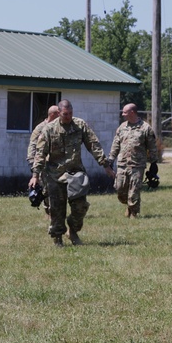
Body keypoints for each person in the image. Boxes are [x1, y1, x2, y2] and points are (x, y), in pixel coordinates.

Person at [29, 99, 114, 246]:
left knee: (80, 206)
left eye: (70, 113)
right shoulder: (49, 129)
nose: (68, 116)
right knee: (56, 209)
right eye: (65, 114)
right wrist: (35, 175)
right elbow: (40, 153)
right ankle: (58, 238)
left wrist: (105, 165)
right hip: (55, 175)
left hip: (75, 173)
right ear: (59, 113)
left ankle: (73, 231)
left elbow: (93, 145)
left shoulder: (80, 125)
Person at [109, 103, 159, 218]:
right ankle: (129, 205)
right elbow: (116, 145)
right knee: (120, 189)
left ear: (132, 113)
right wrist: (110, 160)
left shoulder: (145, 128)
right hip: (122, 164)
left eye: (125, 112)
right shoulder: (122, 127)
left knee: (134, 190)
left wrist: (153, 163)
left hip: (137, 165)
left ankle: (133, 213)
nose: (122, 114)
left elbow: (152, 147)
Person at [26, 105, 60, 217]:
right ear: (53, 115)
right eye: (59, 114)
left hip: (55, 164)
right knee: (46, 190)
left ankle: (53, 212)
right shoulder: (40, 128)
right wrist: (33, 165)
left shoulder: (57, 128)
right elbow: (32, 146)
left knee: (55, 190)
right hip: (42, 165)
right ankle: (49, 212)